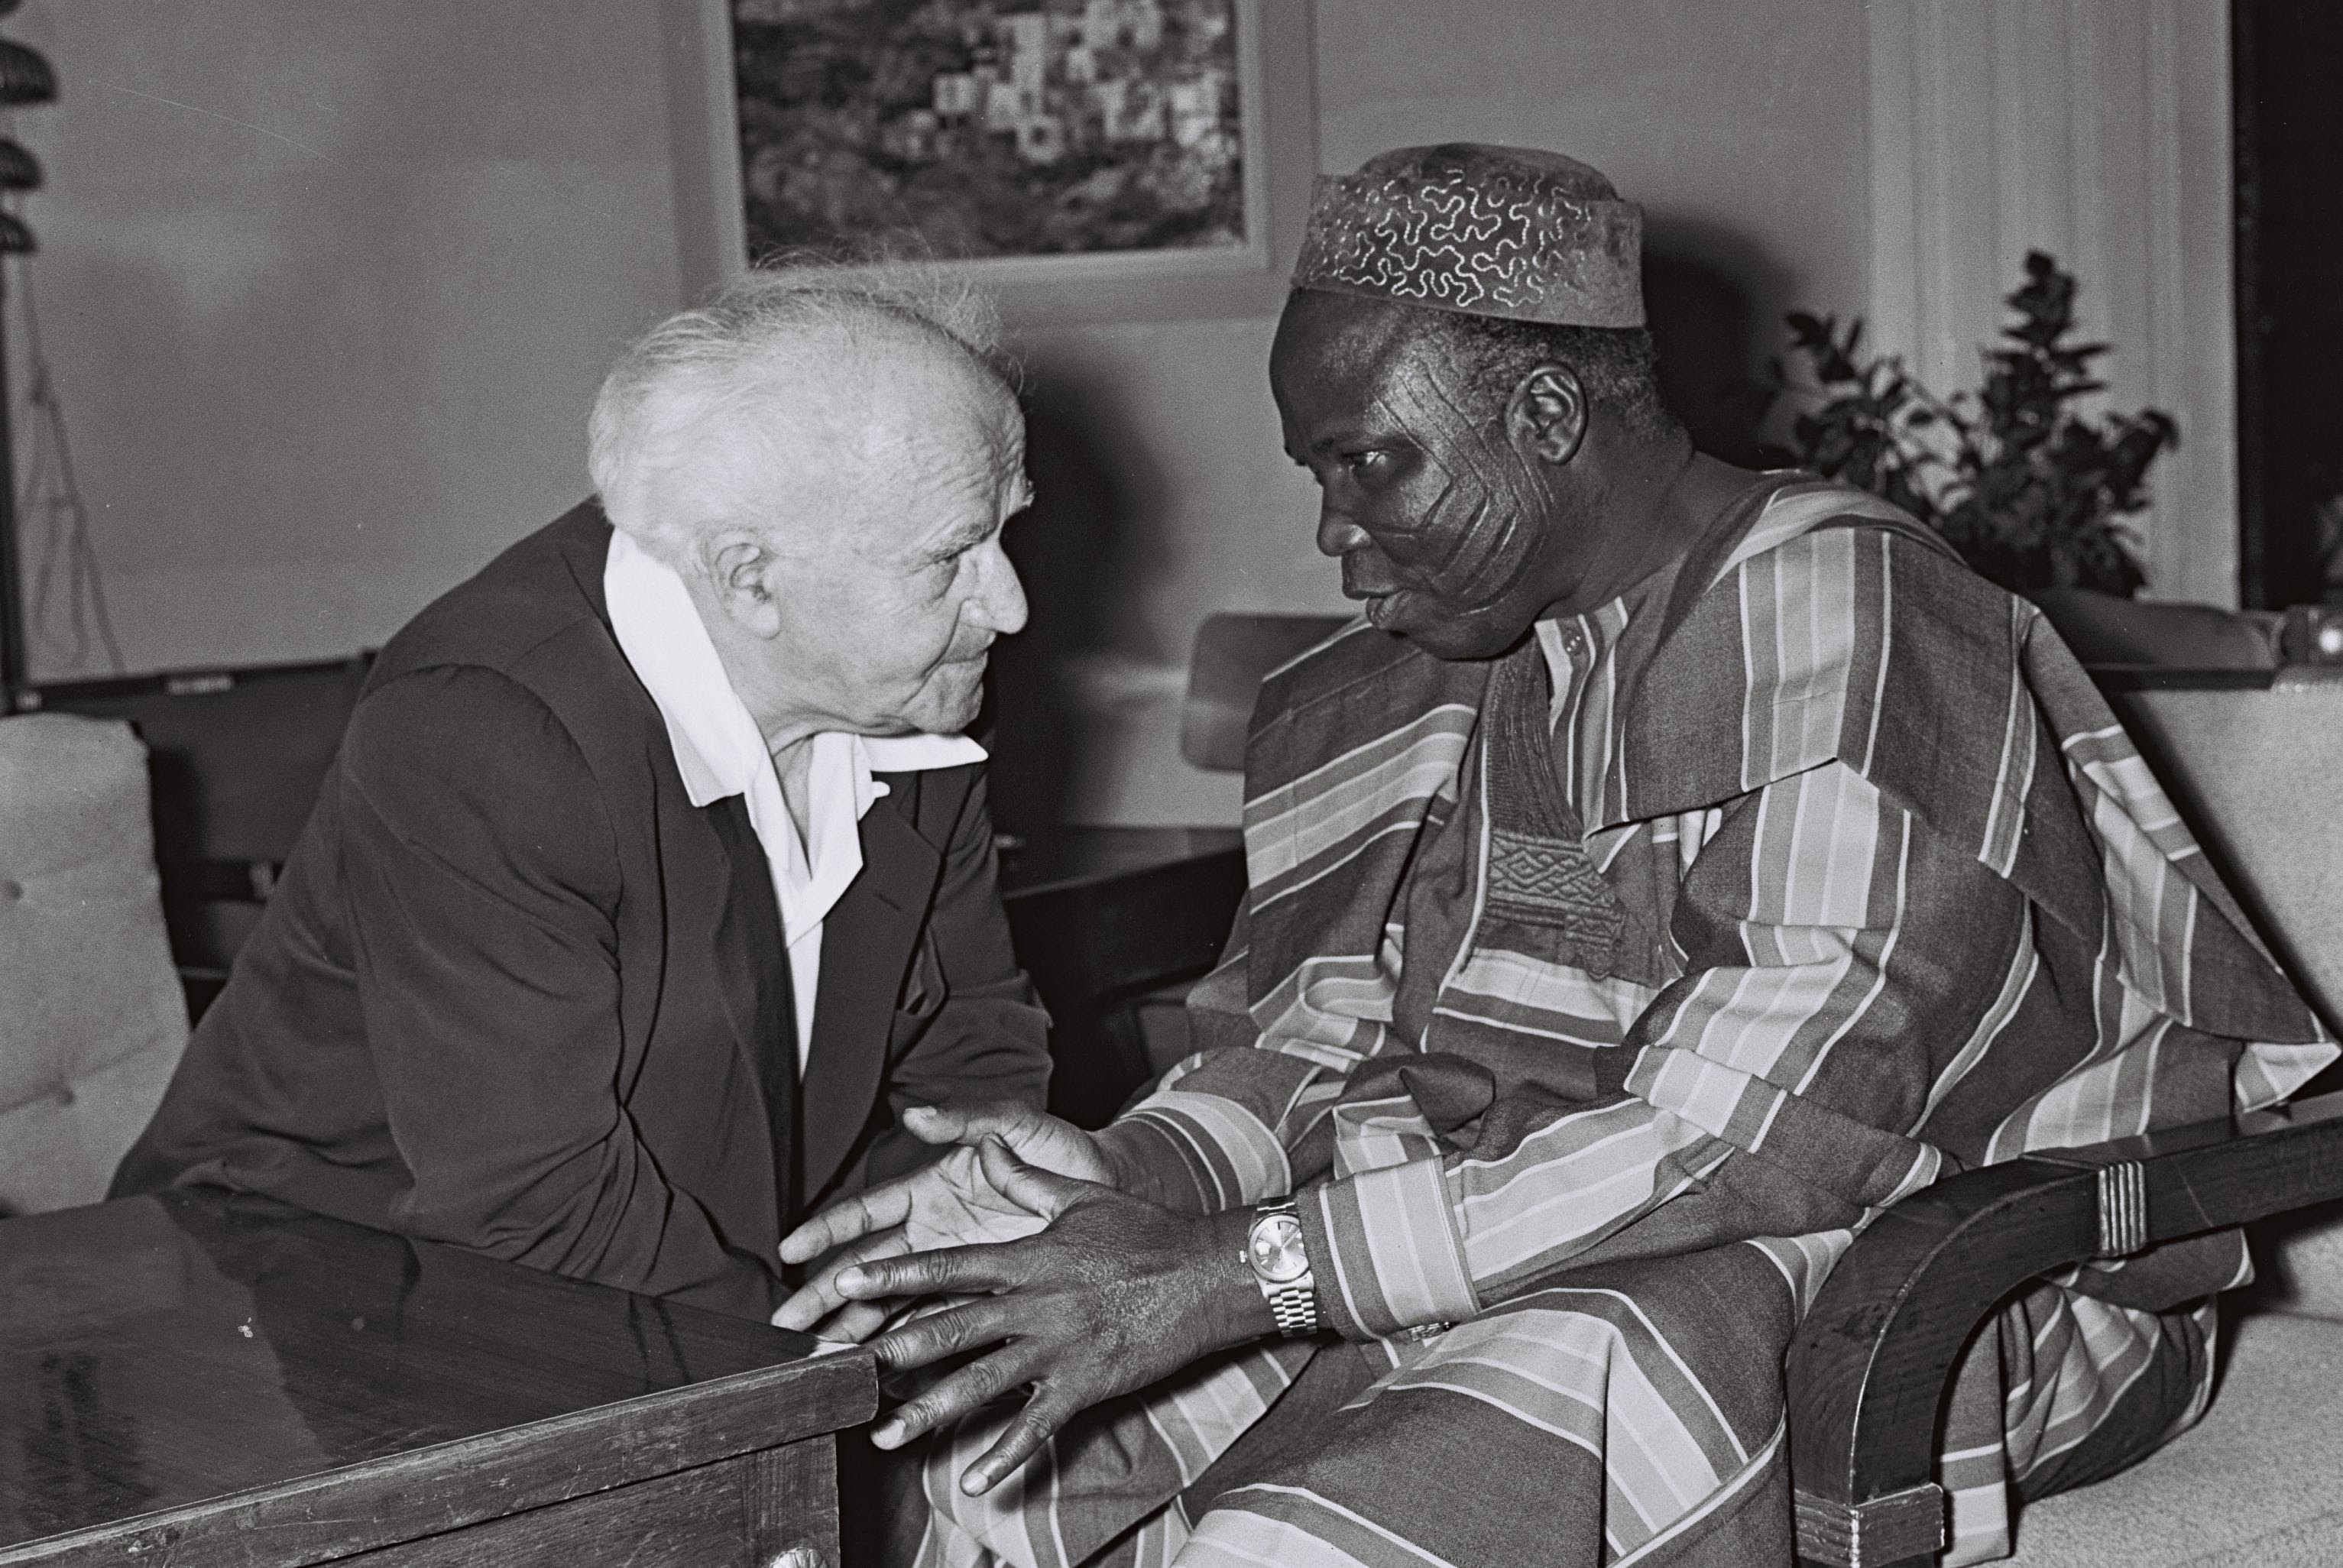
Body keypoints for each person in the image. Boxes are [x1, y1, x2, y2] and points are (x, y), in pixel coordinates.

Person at [774, 146, 2334, 1567]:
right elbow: (1316, 1042)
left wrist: (1238, 1276)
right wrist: (1132, 1180)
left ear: (1545, 416)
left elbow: (1764, 1141)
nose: (1335, 536)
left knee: (1327, 1522)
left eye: (1369, 464)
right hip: (1499, 1215)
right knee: (985, 1465)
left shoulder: (1851, 618)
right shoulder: (1414, 672)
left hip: (1943, 1276)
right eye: (1320, 474)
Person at [112, 268, 1052, 1324]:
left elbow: (971, 1036)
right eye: (951, 557)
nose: (1006, 605)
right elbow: (536, 1204)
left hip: (684, 1285)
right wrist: (830, 1371)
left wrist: (964, 1255)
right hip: (316, 1295)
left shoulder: (906, 678)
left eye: (1003, 530)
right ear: (748, 579)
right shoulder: (482, 731)